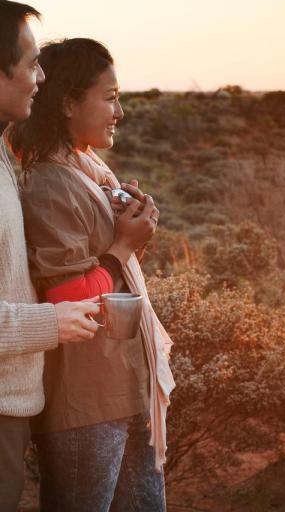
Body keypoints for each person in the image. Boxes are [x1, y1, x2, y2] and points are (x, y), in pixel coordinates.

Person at [9, 37, 175, 512]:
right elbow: (71, 297)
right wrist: (124, 245)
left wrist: (129, 222)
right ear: (66, 103)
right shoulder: (50, 181)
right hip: (86, 401)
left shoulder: (84, 166)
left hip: (126, 387)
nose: (119, 111)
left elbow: (108, 265)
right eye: (110, 97)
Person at [0, 0, 101, 512]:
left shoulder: (4, 156)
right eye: (31, 63)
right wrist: (50, 322)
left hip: (14, 405)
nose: (40, 78)